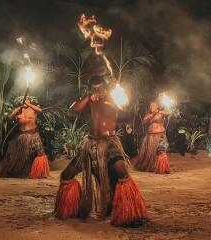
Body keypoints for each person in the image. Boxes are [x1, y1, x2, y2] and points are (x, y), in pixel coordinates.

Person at [54, 75, 147, 227]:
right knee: (66, 175)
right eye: (93, 88)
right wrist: (89, 97)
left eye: (99, 87)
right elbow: (73, 109)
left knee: (121, 171)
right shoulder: (90, 100)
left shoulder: (114, 98)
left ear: (105, 87)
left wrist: (114, 100)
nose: (97, 90)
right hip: (91, 144)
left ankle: (129, 213)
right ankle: (70, 208)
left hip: (110, 143)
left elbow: (126, 111)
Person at [0, 98, 50, 178]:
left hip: (33, 134)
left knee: (40, 153)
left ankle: (39, 173)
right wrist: (20, 107)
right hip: (22, 135)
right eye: (24, 100)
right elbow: (10, 118)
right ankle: (16, 171)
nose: (25, 101)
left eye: (27, 100)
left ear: (30, 101)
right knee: (16, 155)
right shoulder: (19, 110)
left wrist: (29, 105)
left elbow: (40, 111)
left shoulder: (33, 108)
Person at [135, 102, 170, 174]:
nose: (151, 107)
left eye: (153, 105)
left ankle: (161, 166)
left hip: (159, 134)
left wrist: (160, 111)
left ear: (157, 106)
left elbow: (168, 113)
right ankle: (151, 166)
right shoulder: (148, 114)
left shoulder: (161, 113)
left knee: (160, 150)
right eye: (150, 106)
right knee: (150, 152)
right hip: (150, 135)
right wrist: (153, 114)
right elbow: (144, 121)